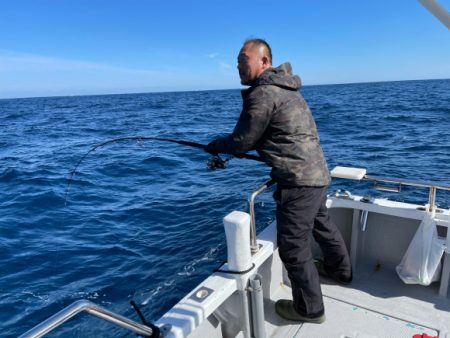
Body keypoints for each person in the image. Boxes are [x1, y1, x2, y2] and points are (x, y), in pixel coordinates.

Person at [205, 38, 352, 324]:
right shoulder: (288, 89)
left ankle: (310, 310)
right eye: (236, 61)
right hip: (317, 174)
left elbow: (241, 141)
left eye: (242, 59)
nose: (237, 65)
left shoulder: (263, 94)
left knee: (293, 246)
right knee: (322, 224)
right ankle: (341, 270)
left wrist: (215, 146)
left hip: (297, 181)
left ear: (264, 61)